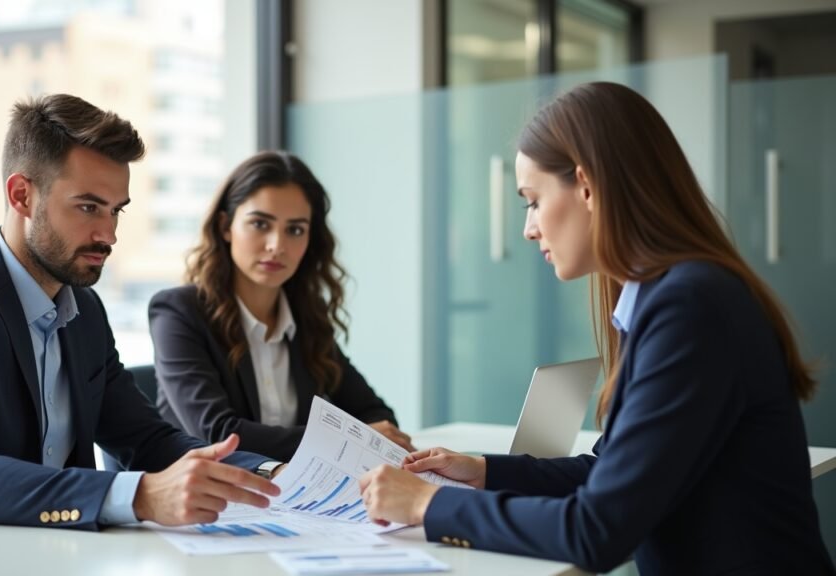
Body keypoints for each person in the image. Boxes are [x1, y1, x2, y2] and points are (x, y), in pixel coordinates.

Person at [357, 82, 835, 574]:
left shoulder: (689, 308)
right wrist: (482, 471)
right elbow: (611, 472)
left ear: (586, 186)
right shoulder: (672, 295)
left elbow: (596, 530)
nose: (528, 228)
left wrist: (427, 504)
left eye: (532, 201)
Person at [0, 94, 281, 543]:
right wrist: (140, 496)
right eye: (88, 207)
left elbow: (148, 441)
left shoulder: (84, 310)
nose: (109, 234)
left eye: (116, 210)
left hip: (44, 552)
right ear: (22, 195)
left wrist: (272, 475)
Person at [149, 151, 411, 462]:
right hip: (208, 487)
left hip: (293, 485)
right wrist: (347, 440)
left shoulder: (306, 316)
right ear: (225, 226)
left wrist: (363, 436)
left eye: (295, 229)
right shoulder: (179, 311)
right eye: (260, 224)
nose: (277, 245)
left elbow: (375, 414)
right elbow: (220, 434)